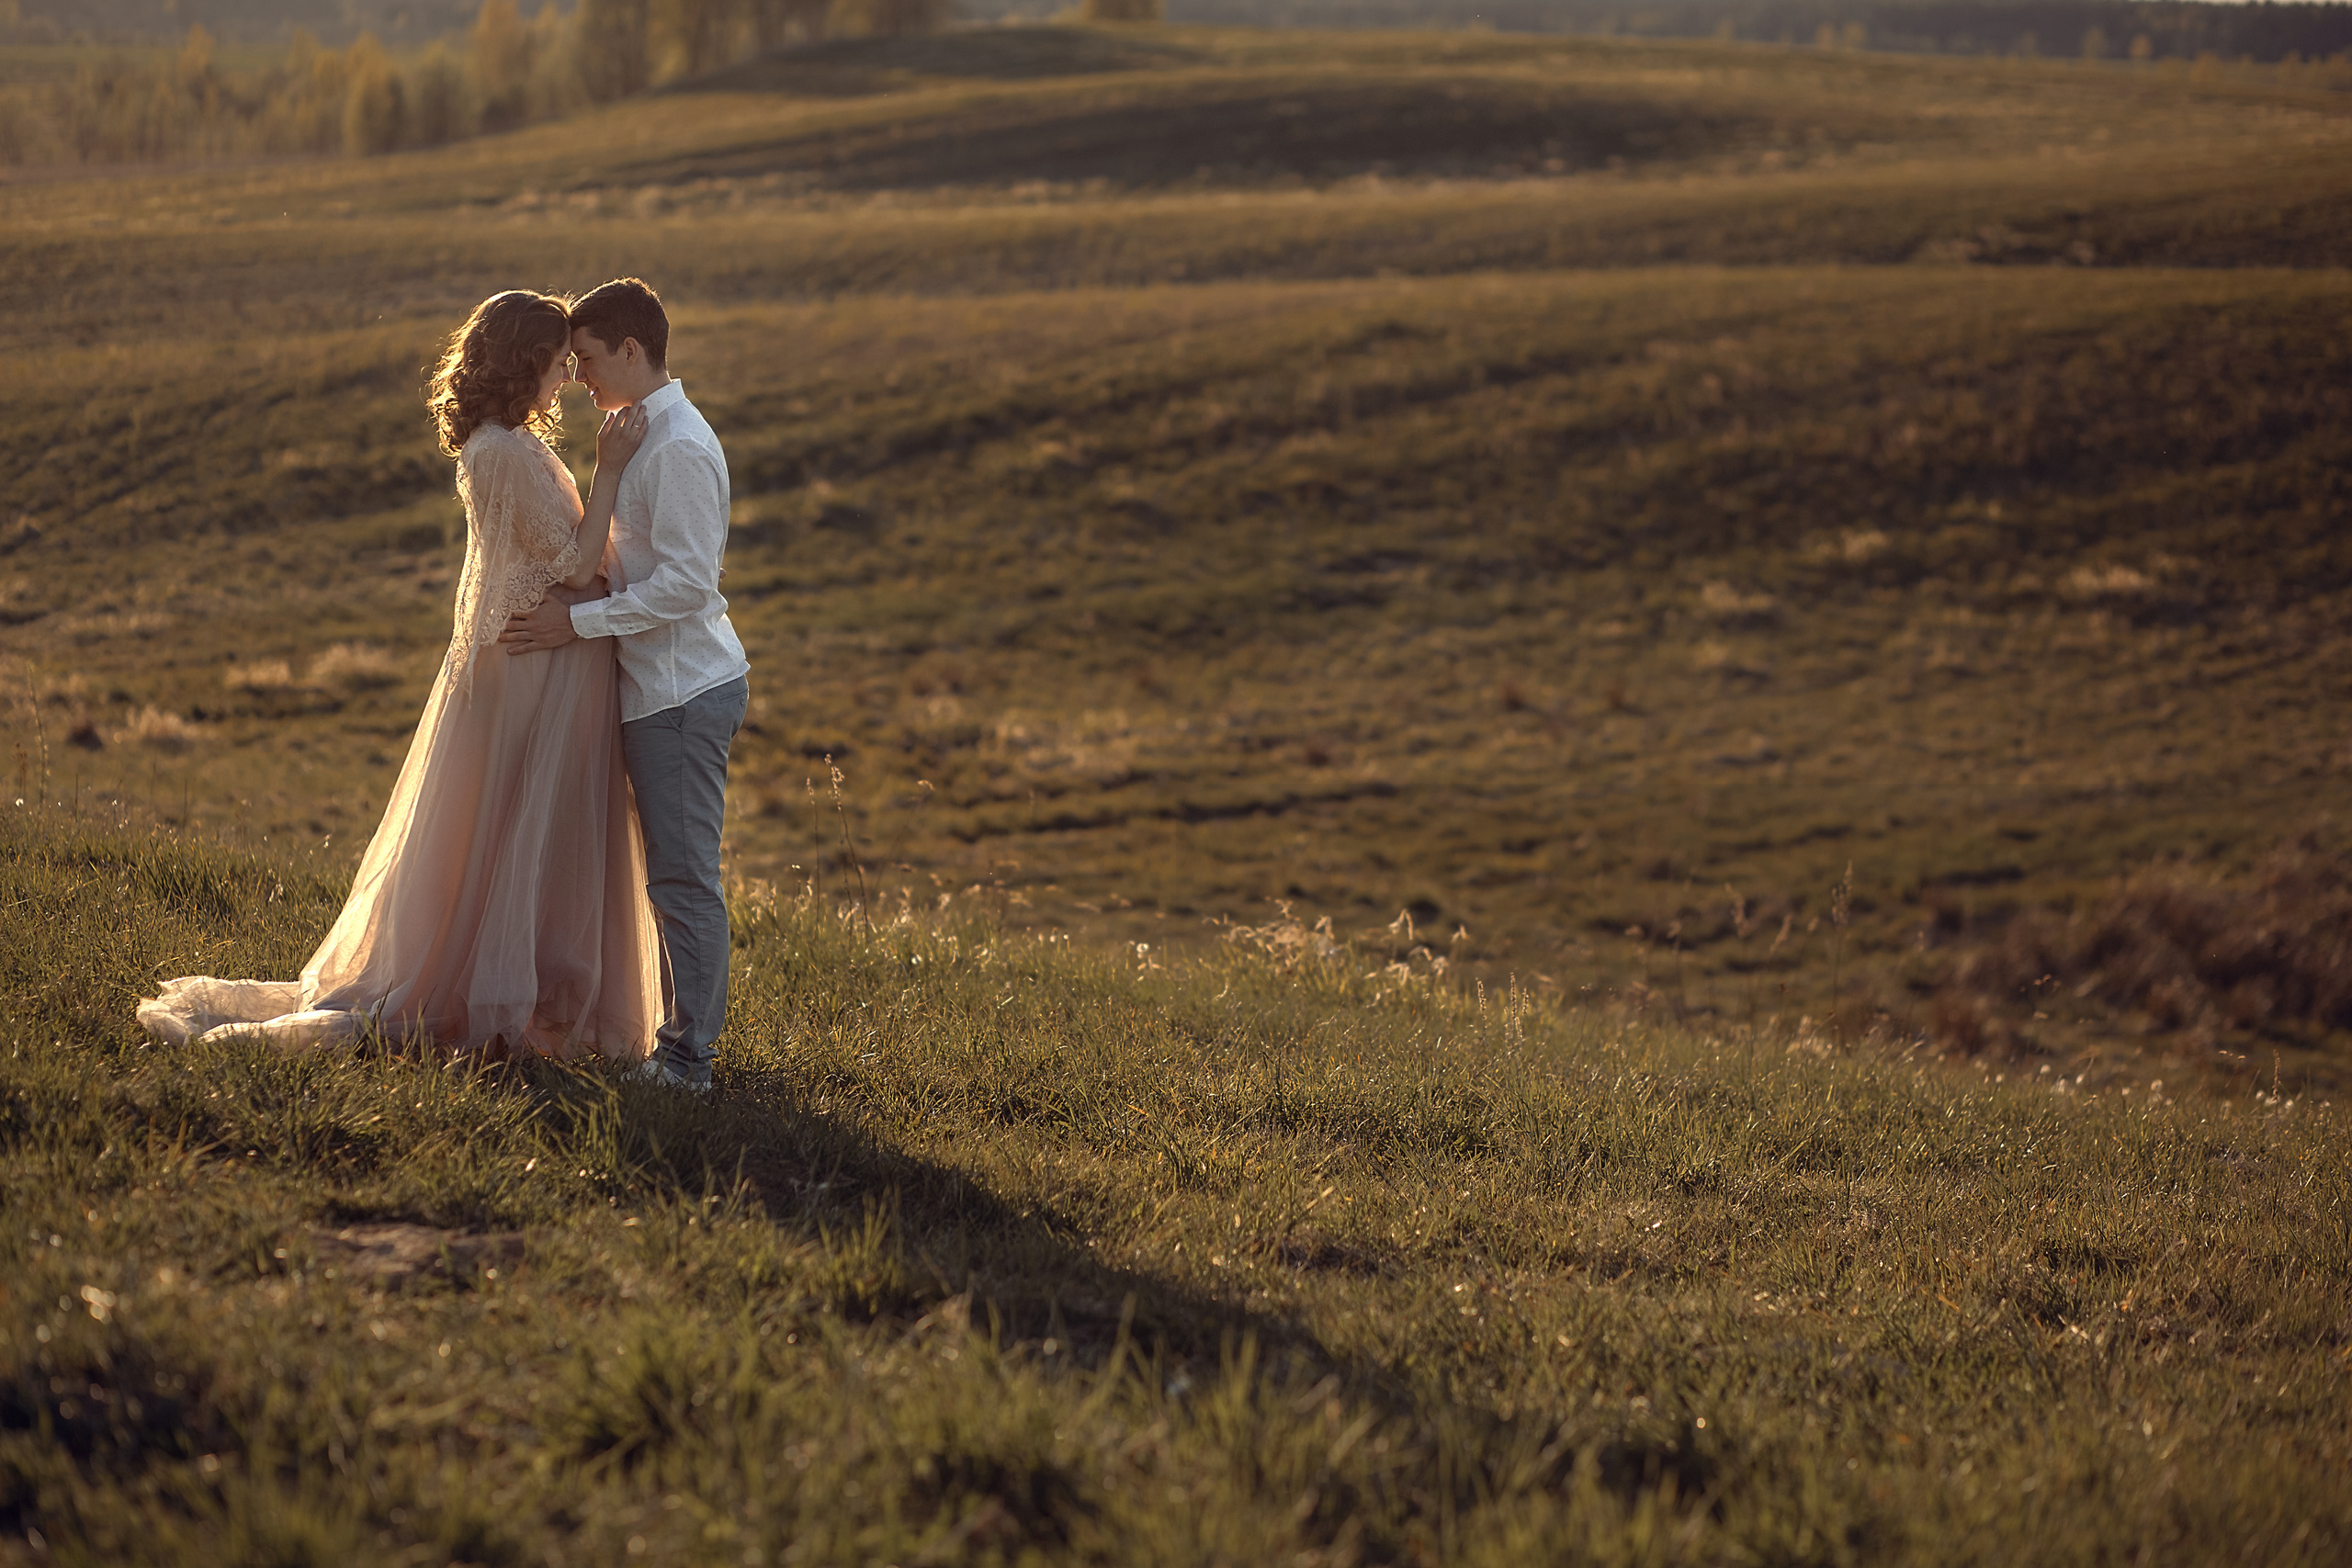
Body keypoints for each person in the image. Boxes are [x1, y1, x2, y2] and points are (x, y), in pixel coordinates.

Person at [137, 291, 662, 1060]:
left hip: (529, 661)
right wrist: (610, 470)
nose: (564, 383)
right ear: (524, 363)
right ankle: (493, 991)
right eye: (555, 367)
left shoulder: (500, 441)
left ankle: (523, 983)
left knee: (507, 831)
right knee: (512, 828)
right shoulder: (506, 454)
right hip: (530, 671)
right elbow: (576, 562)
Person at [498, 277, 750, 1092]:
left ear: (632, 350)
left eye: (590, 359)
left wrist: (577, 623)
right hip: (653, 688)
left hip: (680, 691)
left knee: (682, 877)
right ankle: (681, 1044)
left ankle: (690, 1061)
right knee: (669, 874)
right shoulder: (631, 430)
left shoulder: (676, 448)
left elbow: (686, 586)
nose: (578, 376)